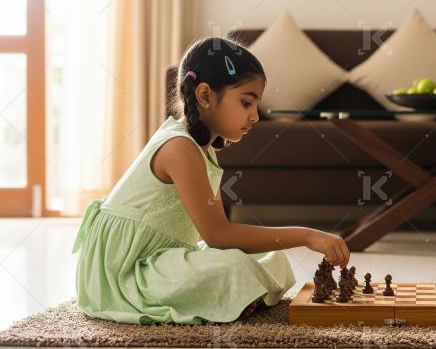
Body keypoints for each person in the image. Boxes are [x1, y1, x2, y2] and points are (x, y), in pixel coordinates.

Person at [72, 37, 350, 325]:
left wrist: (299, 239)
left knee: (272, 257)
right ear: (205, 96)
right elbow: (219, 237)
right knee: (233, 267)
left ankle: (237, 297)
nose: (255, 116)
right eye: (246, 103)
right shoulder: (179, 147)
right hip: (126, 272)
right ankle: (237, 296)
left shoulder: (202, 150)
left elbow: (220, 234)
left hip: (165, 257)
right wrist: (307, 236)